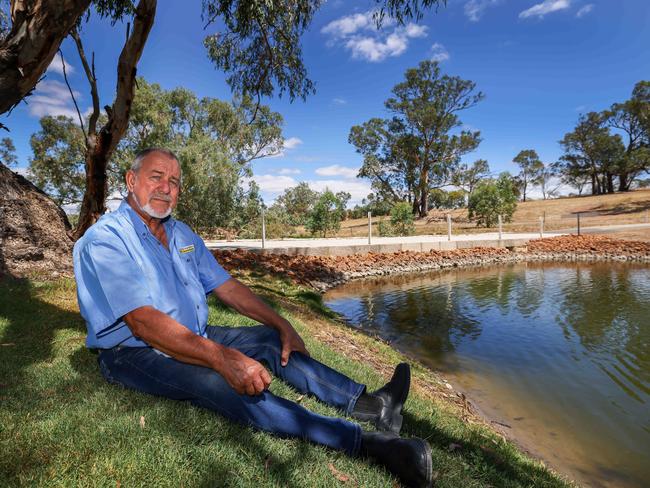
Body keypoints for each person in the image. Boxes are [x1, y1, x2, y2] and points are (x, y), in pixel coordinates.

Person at [73, 148, 432, 487]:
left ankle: (371, 406)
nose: (167, 189)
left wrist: (282, 324)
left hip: (192, 331)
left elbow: (226, 287)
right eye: (156, 177)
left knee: (269, 339)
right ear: (131, 181)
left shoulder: (180, 233)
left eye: (176, 181)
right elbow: (144, 323)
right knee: (217, 381)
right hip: (133, 352)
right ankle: (369, 444)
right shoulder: (106, 239)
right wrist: (220, 357)